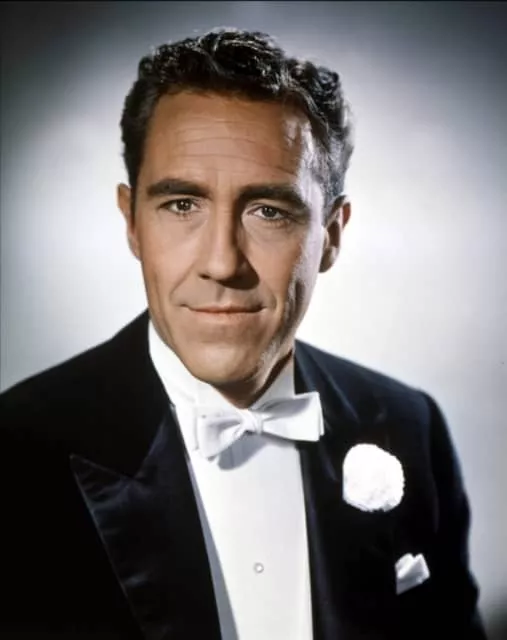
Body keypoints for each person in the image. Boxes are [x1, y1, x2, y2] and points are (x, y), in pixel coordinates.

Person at [0, 28, 487, 640]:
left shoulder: (410, 426)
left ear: (332, 235)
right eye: (182, 205)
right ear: (131, 223)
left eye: (269, 211)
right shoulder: (18, 450)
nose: (222, 263)